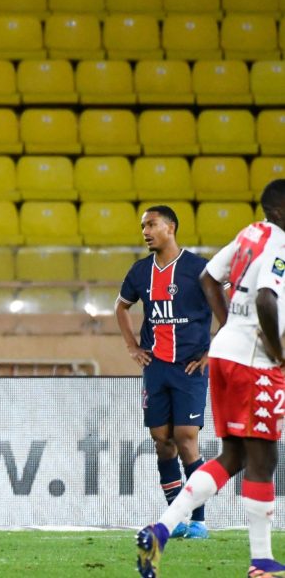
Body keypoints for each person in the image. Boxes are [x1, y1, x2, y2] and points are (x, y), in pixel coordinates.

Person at [136, 179, 285, 578]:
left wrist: (229, 324)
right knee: (263, 456)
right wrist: (277, 352)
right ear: (281, 209)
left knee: (234, 456)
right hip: (254, 360)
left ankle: (161, 530)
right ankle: (261, 562)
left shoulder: (250, 234)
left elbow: (207, 277)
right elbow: (267, 299)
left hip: (224, 354)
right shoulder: (281, 245)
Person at [116, 205, 213, 541]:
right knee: (162, 442)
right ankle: (176, 519)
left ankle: (199, 520)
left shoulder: (198, 268)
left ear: (170, 227)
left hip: (188, 367)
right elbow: (121, 306)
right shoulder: (140, 272)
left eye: (152, 224)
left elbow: (225, 308)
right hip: (156, 367)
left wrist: (209, 351)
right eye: (143, 226)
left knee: (187, 439)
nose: (145, 231)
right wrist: (132, 346)